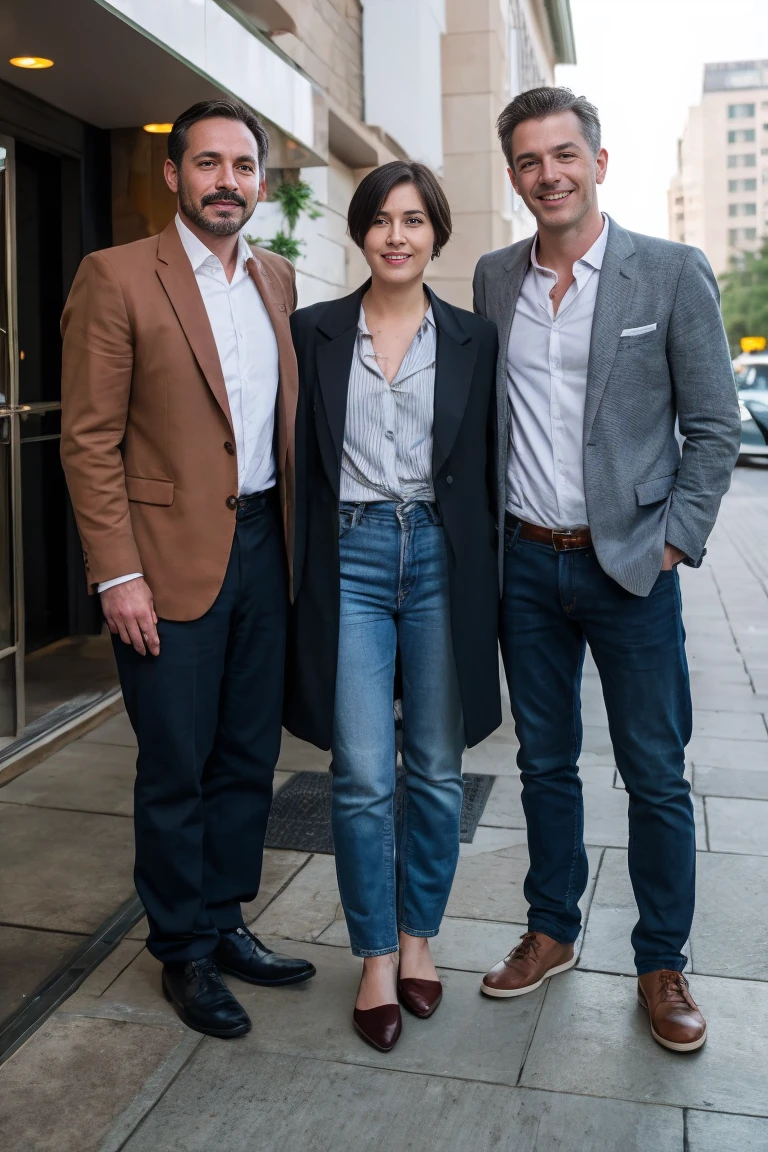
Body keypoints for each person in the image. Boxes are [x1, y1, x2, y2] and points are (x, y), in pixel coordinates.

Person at [473, 87, 741, 1052]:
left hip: (629, 571)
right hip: (526, 570)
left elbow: (714, 426)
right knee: (543, 764)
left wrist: (672, 541)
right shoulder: (493, 278)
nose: (549, 174)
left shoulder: (667, 272)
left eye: (564, 155)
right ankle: (553, 931)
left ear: (598, 160)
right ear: (513, 176)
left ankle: (661, 961)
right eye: (530, 161)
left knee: (654, 774)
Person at [60, 99, 315, 1041]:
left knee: (249, 755)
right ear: (175, 175)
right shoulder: (117, 276)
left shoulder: (277, 279)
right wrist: (115, 573)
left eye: (243, 166)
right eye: (207, 164)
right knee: (176, 764)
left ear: (260, 181)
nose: (227, 182)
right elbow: (88, 442)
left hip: (263, 548)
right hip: (164, 560)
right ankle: (183, 951)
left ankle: (225, 917)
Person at [285, 162, 501, 1052]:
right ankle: (375, 955)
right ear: (361, 233)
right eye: (381, 219)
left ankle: (420, 944)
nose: (397, 235)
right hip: (353, 558)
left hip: (444, 564)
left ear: (436, 234)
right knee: (365, 774)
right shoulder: (313, 332)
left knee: (439, 773)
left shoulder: (475, 338)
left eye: (414, 220)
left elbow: (488, 465)